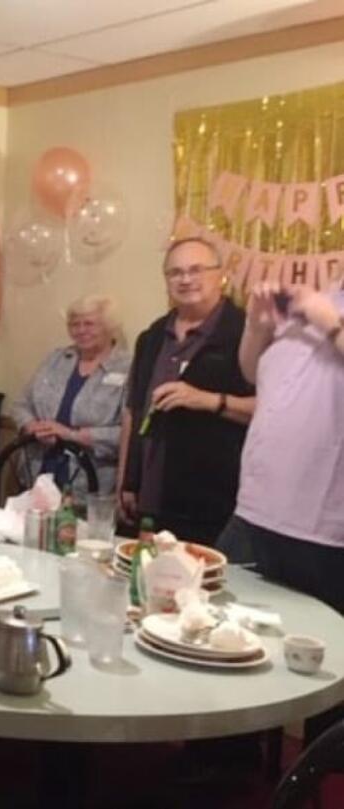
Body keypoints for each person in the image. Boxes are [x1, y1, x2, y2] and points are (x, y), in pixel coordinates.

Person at [117, 237, 255, 544]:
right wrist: (127, 481)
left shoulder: (246, 333)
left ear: (221, 275)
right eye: (175, 272)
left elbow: (272, 411)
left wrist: (207, 401)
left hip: (216, 504)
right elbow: (133, 413)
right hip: (152, 502)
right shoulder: (151, 337)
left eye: (196, 269)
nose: (186, 279)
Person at [216, 282, 344, 613]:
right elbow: (252, 372)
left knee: (316, 651)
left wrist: (330, 322)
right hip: (253, 511)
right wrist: (257, 327)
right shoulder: (314, 298)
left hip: (320, 533)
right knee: (214, 621)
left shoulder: (320, 309)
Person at [12, 294, 131, 496]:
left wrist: (71, 435)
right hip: (38, 472)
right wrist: (33, 426)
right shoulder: (56, 359)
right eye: (75, 324)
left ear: (109, 326)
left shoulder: (128, 368)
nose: (81, 330)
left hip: (91, 481)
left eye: (90, 324)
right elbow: (20, 404)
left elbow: (127, 433)